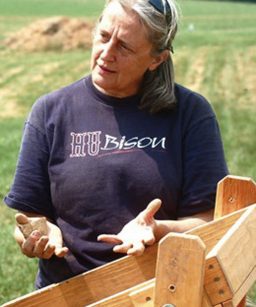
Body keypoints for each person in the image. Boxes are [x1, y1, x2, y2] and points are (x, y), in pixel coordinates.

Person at [4, 0, 228, 289]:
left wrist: (159, 229)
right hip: (69, 293)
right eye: (104, 36)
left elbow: (209, 220)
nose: (106, 54)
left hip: (160, 291)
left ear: (156, 59)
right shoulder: (50, 111)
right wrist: (37, 234)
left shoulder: (189, 113)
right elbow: (30, 217)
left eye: (125, 47)